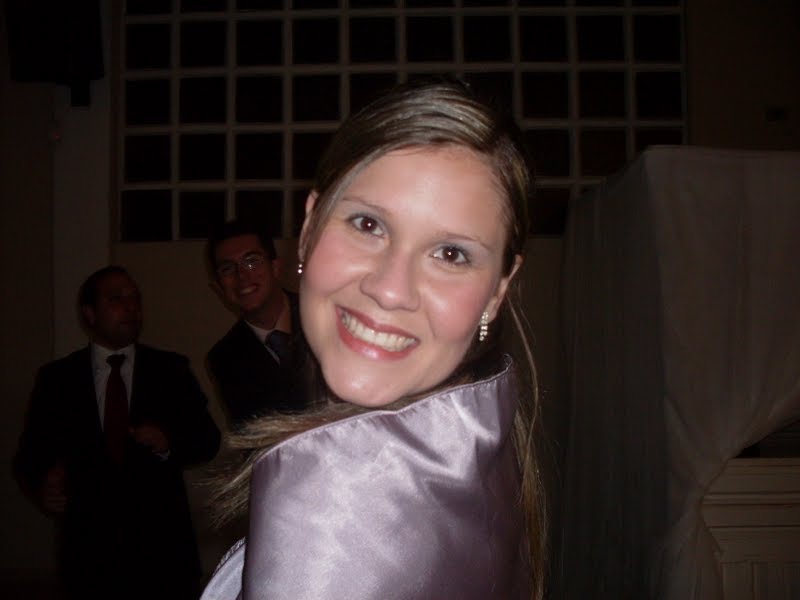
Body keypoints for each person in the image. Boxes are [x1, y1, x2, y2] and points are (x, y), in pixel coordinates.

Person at [202, 78, 546, 600]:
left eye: (451, 254)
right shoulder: (484, 454)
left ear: (498, 291)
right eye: (368, 224)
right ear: (310, 227)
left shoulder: (331, 515)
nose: (389, 290)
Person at [13, 265, 221, 600]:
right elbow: (30, 454)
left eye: (135, 298)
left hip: (163, 555)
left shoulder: (170, 369)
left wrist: (169, 441)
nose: (130, 307)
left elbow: (207, 439)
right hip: (88, 556)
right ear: (89, 313)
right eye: (116, 299)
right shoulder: (58, 379)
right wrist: (43, 483)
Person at [206, 220, 307, 430]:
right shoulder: (224, 359)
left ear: (275, 267)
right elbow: (255, 434)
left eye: (251, 262)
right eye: (227, 269)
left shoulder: (321, 314)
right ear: (218, 287)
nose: (242, 276)